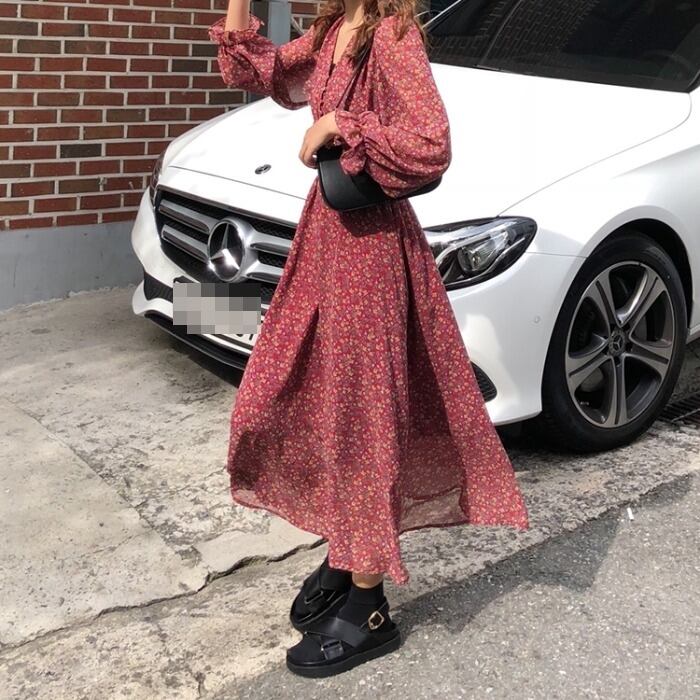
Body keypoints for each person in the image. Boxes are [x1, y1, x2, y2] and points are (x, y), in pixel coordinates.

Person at [208, 0, 529, 678]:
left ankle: (368, 603)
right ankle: (346, 550)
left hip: (371, 253)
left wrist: (341, 124)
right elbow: (259, 71)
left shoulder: (391, 35)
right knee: (298, 399)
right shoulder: (332, 30)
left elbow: (430, 143)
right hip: (326, 245)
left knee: (361, 419)